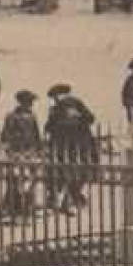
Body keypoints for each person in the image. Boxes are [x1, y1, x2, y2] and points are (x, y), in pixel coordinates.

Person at [44, 84, 98, 215]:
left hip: (70, 146)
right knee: (70, 173)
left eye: (56, 97)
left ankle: (69, 202)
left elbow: (49, 126)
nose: (55, 100)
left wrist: (77, 117)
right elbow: (90, 118)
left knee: (68, 173)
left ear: (61, 95)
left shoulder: (68, 105)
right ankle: (68, 201)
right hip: (72, 146)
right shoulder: (64, 106)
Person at [0, 90, 45, 216]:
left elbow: (37, 135)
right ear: (21, 103)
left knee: (30, 180)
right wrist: (10, 151)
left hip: (30, 151)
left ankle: (29, 206)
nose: (29, 105)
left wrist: (39, 150)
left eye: (30, 103)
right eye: (27, 102)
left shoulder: (32, 116)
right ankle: (11, 206)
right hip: (16, 152)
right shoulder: (12, 116)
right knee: (15, 180)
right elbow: (6, 135)